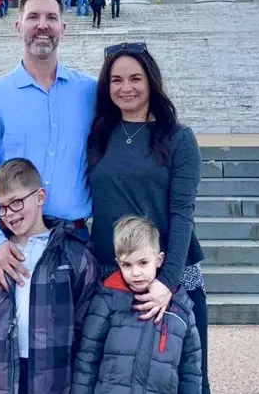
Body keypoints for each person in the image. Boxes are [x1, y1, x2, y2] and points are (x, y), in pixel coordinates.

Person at [87, 42, 209, 394]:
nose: (126, 88)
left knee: (184, 379)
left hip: (170, 275)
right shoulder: (98, 137)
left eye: (135, 78)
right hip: (112, 276)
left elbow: (183, 213)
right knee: (112, 380)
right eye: (116, 80)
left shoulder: (178, 138)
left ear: (151, 82)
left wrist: (166, 283)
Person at [0, 0, 98, 292]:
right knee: (9, 340)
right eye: (33, 16)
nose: (42, 25)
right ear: (18, 26)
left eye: (51, 17)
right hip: (11, 247)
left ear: (64, 27)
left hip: (75, 243)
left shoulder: (91, 92)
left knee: (83, 340)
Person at [0, 158, 99, 394]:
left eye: (16, 202)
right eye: (1, 207)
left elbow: (86, 329)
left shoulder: (74, 256)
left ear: (40, 197)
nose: (9, 214)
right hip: (3, 375)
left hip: (53, 376)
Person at [72, 215, 202, 394]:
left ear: (159, 260)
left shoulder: (181, 309)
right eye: (127, 265)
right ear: (118, 263)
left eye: (143, 263)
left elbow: (191, 373)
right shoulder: (107, 301)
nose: (136, 273)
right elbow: (87, 359)